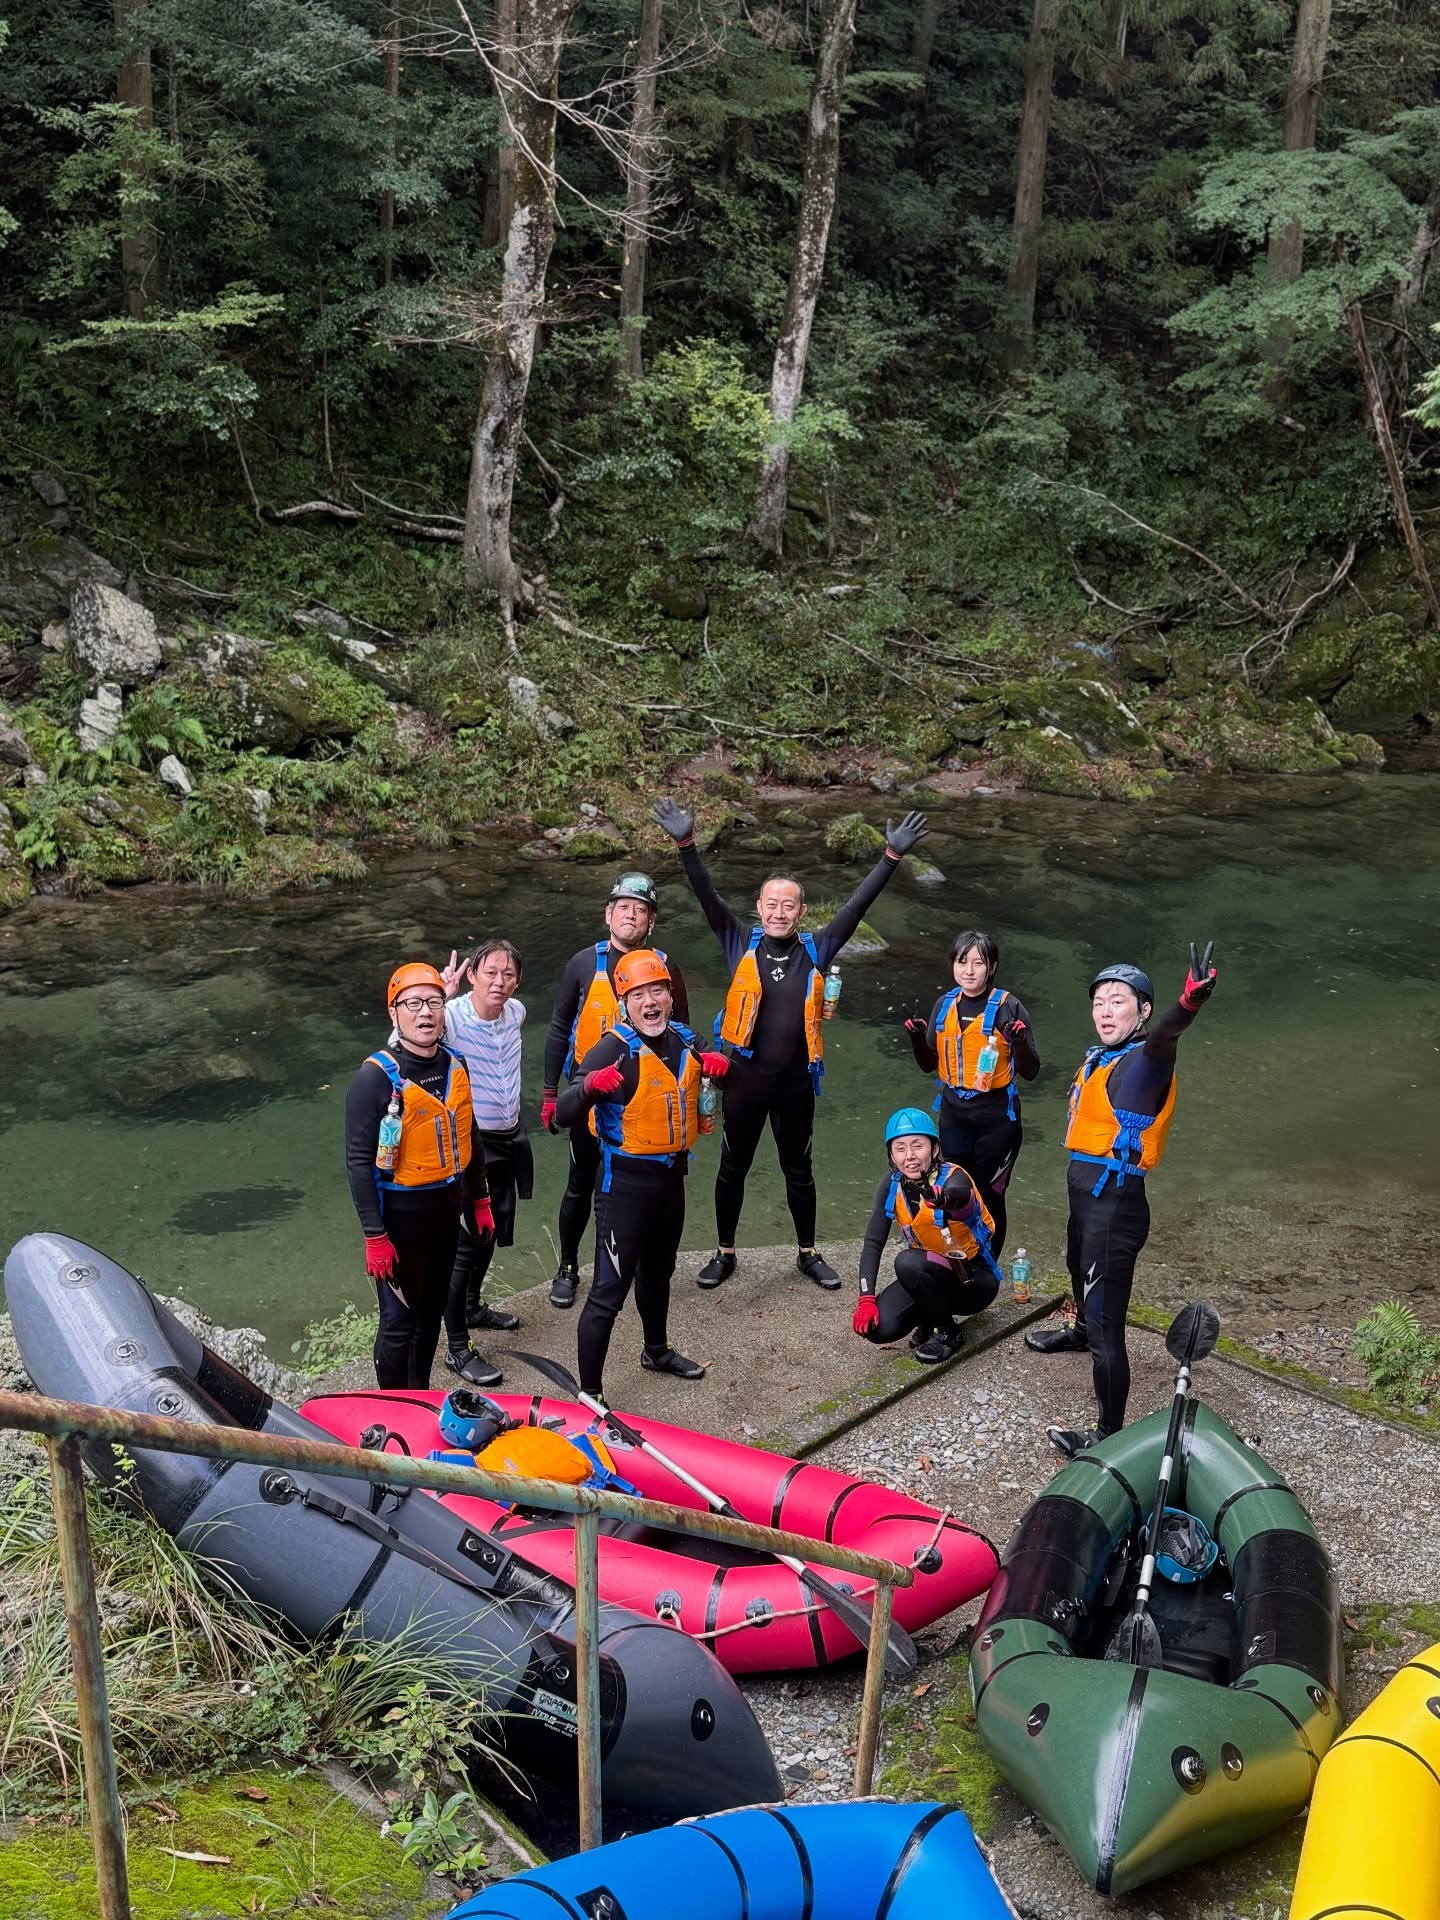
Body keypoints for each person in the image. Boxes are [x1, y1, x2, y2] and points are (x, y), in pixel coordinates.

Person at [654, 797, 928, 1292]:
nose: (780, 912)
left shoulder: (817, 949)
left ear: (801, 912)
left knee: (798, 1168)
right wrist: (686, 845)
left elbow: (855, 906)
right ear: (759, 909)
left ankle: (807, 1253)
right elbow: (706, 896)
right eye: (771, 904)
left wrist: (891, 856)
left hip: (796, 1082)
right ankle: (724, 1252)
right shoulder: (740, 943)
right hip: (743, 1079)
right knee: (732, 1167)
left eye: (789, 905)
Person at [1027, 942, 1219, 1457]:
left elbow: (1164, 1040)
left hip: (1113, 1210)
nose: (1104, 1011)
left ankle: (1108, 1434)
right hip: (1088, 1200)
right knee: (1075, 1267)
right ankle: (1078, 1331)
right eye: (1098, 1002)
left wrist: (1190, 1004)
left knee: (1109, 1325)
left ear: (1144, 1010)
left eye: (1117, 1000)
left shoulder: (1144, 1064)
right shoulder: (1104, 1057)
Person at [555, 949, 722, 1397]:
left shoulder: (685, 1039)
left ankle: (657, 1350)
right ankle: (590, 1393)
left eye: (658, 992)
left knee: (659, 1272)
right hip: (623, 1188)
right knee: (608, 1293)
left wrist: (728, 1069)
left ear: (670, 997)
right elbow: (564, 1114)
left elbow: (735, 1078)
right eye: (639, 995)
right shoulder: (612, 1048)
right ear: (624, 1003)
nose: (650, 1002)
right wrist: (588, 1086)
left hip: (671, 1183)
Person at [542, 873, 690, 1310]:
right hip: (591, 1097)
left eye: (640, 909)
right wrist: (552, 1092)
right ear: (608, 914)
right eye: (623, 907)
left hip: (644, 1107)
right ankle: (568, 1266)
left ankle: (635, 1265)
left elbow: (681, 1034)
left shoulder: (666, 970)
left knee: (640, 1193)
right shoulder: (583, 964)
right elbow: (558, 1028)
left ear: (651, 921)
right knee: (580, 1186)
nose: (630, 915)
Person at [344, 963, 495, 1391]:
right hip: (400, 1218)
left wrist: (479, 1199)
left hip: (445, 1214)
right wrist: (375, 1235)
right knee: (398, 1321)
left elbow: (471, 1136)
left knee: (431, 1313)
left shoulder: (454, 1065)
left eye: (433, 1002)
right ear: (394, 1014)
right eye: (413, 1004)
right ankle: (392, 1408)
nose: (425, 1012)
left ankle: (421, 1396)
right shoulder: (374, 1079)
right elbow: (358, 1162)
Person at [903, 930, 1039, 1257]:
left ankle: (987, 1268)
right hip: (953, 1116)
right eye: (962, 962)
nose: (969, 970)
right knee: (952, 1191)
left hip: (997, 1122)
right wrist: (917, 1038)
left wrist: (1018, 1042)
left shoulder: (1010, 1008)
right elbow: (928, 1065)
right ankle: (960, 1256)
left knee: (990, 1195)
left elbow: (1032, 1070)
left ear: (991, 968)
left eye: (978, 963)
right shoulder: (944, 1005)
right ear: (953, 964)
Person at [434, 937, 529, 1390]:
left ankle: (472, 1305)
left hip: (508, 1138)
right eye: (490, 972)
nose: (499, 981)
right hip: (470, 1145)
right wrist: (441, 996)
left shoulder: (516, 1013)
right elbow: (400, 1040)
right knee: (465, 1243)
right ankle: (456, 1346)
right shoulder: (450, 1017)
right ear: (472, 974)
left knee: (494, 1230)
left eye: (508, 974)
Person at [851, 1108, 1003, 1362]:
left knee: (908, 1261)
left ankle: (947, 1332)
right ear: (891, 1154)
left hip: (974, 1281)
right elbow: (873, 1243)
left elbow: (961, 1198)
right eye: (900, 1148)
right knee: (879, 1329)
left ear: (933, 1149)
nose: (909, 1156)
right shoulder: (891, 1185)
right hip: (930, 1273)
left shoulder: (955, 1178)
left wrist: (942, 1199)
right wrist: (866, 1297)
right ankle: (931, 1318)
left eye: (917, 1146)